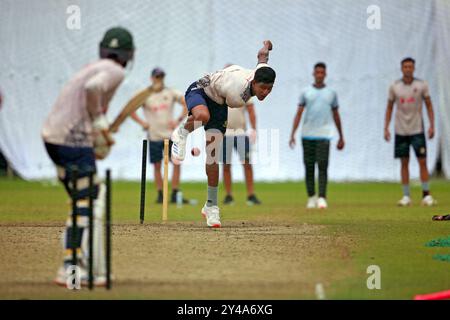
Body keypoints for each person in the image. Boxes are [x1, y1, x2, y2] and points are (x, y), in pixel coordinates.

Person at [41, 27, 135, 286]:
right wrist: (99, 122)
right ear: (128, 55)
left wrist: (95, 138)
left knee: (82, 202)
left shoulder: (90, 66)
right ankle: (73, 268)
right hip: (72, 142)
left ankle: (81, 266)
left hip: (54, 138)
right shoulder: (114, 70)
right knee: (90, 201)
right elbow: (93, 90)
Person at [170, 40, 276, 228]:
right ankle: (181, 133)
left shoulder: (261, 72)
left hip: (218, 102)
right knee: (203, 115)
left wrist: (267, 46)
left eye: (269, 89)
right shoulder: (238, 97)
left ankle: (211, 206)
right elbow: (221, 99)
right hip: (201, 91)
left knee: (212, 158)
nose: (265, 93)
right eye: (262, 88)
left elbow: (262, 56)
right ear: (253, 82)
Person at [128, 67, 190, 204]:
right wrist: (142, 123)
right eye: (157, 77)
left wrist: (178, 120)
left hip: (171, 135)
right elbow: (131, 109)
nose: (159, 80)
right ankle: (161, 194)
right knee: (157, 165)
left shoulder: (171, 92)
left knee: (176, 162)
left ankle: (174, 192)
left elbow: (186, 103)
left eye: (161, 77)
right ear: (152, 78)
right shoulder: (145, 94)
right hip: (154, 135)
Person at [289, 62, 345, 209]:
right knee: (308, 167)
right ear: (314, 74)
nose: (319, 75)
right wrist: (292, 133)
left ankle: (322, 197)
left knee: (323, 166)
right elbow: (299, 113)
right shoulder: (306, 92)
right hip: (307, 135)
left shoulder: (331, 93)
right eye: (317, 72)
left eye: (322, 72)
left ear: (325, 74)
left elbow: (336, 114)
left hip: (324, 135)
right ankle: (311, 196)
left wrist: (341, 136)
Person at [384, 57, 436, 207]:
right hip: (400, 130)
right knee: (404, 162)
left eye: (410, 66)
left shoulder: (421, 85)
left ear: (414, 68)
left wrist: (432, 125)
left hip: (417, 129)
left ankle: (426, 195)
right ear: (402, 69)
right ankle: (406, 196)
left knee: (422, 161)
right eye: (405, 67)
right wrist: (386, 127)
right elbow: (389, 107)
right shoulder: (395, 86)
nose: (408, 69)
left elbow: (429, 105)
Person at [221, 96, 261, 206]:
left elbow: (251, 111)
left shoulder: (244, 92)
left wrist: (253, 129)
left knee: (247, 163)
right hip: (225, 134)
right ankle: (228, 195)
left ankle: (251, 194)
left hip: (241, 133)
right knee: (226, 165)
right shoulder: (221, 92)